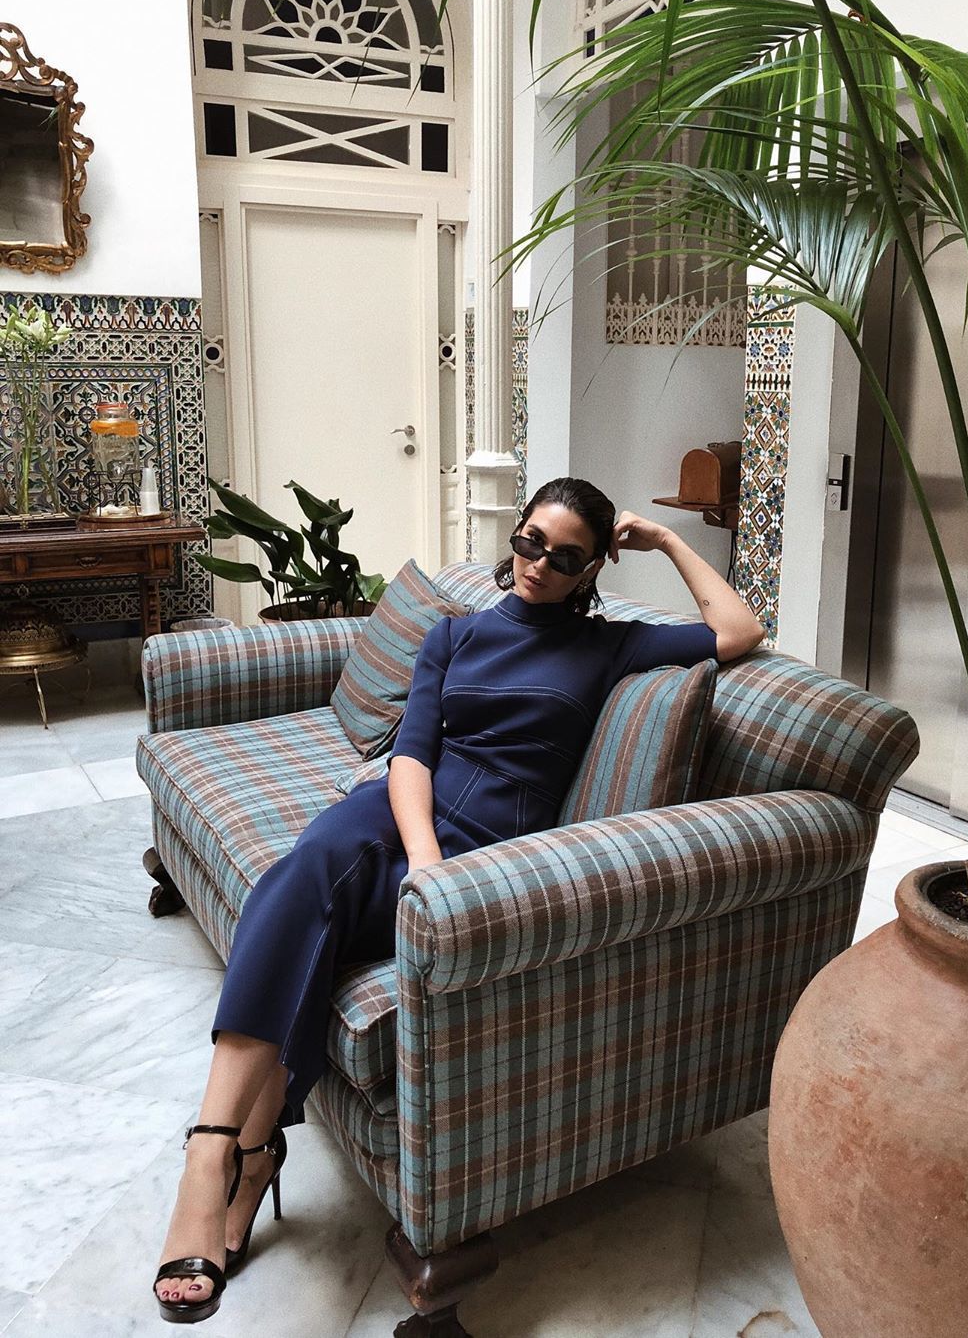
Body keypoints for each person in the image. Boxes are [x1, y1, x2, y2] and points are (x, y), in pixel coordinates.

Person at [153, 477, 765, 1323]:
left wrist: (663, 540)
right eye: (530, 541)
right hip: (407, 821)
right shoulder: (454, 633)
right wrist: (425, 860)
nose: (539, 564)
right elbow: (412, 753)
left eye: (566, 557)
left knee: (299, 905)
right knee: (305, 876)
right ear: (514, 534)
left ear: (592, 569)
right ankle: (217, 1152)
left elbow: (740, 630)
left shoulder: (611, 646)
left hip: (493, 844)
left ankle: (245, 1155)